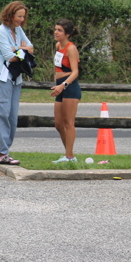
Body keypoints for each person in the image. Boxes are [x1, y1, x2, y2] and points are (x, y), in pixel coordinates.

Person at [0, 1, 34, 165]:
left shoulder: (18, 30)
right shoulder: (0, 31)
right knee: (2, 113)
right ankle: (3, 153)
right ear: (10, 15)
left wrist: (19, 50)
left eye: (23, 17)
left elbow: (31, 48)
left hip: (16, 77)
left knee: (12, 116)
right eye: (19, 16)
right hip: (2, 75)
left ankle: (3, 150)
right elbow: (10, 57)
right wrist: (21, 50)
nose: (21, 20)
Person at [49, 18, 81, 163]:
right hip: (59, 86)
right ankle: (69, 154)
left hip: (70, 87)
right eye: (55, 29)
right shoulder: (58, 46)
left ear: (67, 34)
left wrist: (63, 85)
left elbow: (75, 72)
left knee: (69, 123)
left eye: (60, 30)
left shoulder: (71, 48)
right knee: (58, 124)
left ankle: (69, 156)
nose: (56, 32)